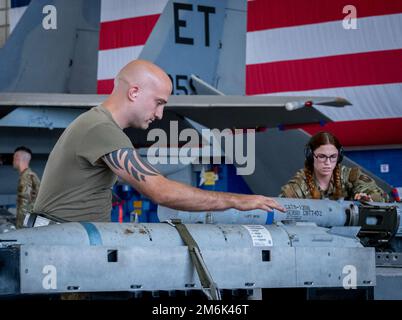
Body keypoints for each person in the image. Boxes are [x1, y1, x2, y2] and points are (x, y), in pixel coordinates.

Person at [33, 59, 285, 223]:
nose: (160, 114)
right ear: (134, 92)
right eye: (159, 103)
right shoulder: (101, 128)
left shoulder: (98, 124)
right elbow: (161, 191)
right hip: (64, 251)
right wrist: (240, 201)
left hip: (67, 245)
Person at [280, 132, 388, 202]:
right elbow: (282, 206)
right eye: (322, 156)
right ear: (310, 156)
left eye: (333, 157)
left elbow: (382, 196)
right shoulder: (299, 185)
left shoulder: (351, 177)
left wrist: (369, 199)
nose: (328, 162)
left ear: (339, 156)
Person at [13, 146, 41, 228]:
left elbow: (24, 206)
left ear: (17, 158)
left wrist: (19, 228)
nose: (13, 161)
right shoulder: (30, 175)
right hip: (30, 224)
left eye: (13, 158)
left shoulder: (26, 177)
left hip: (26, 226)